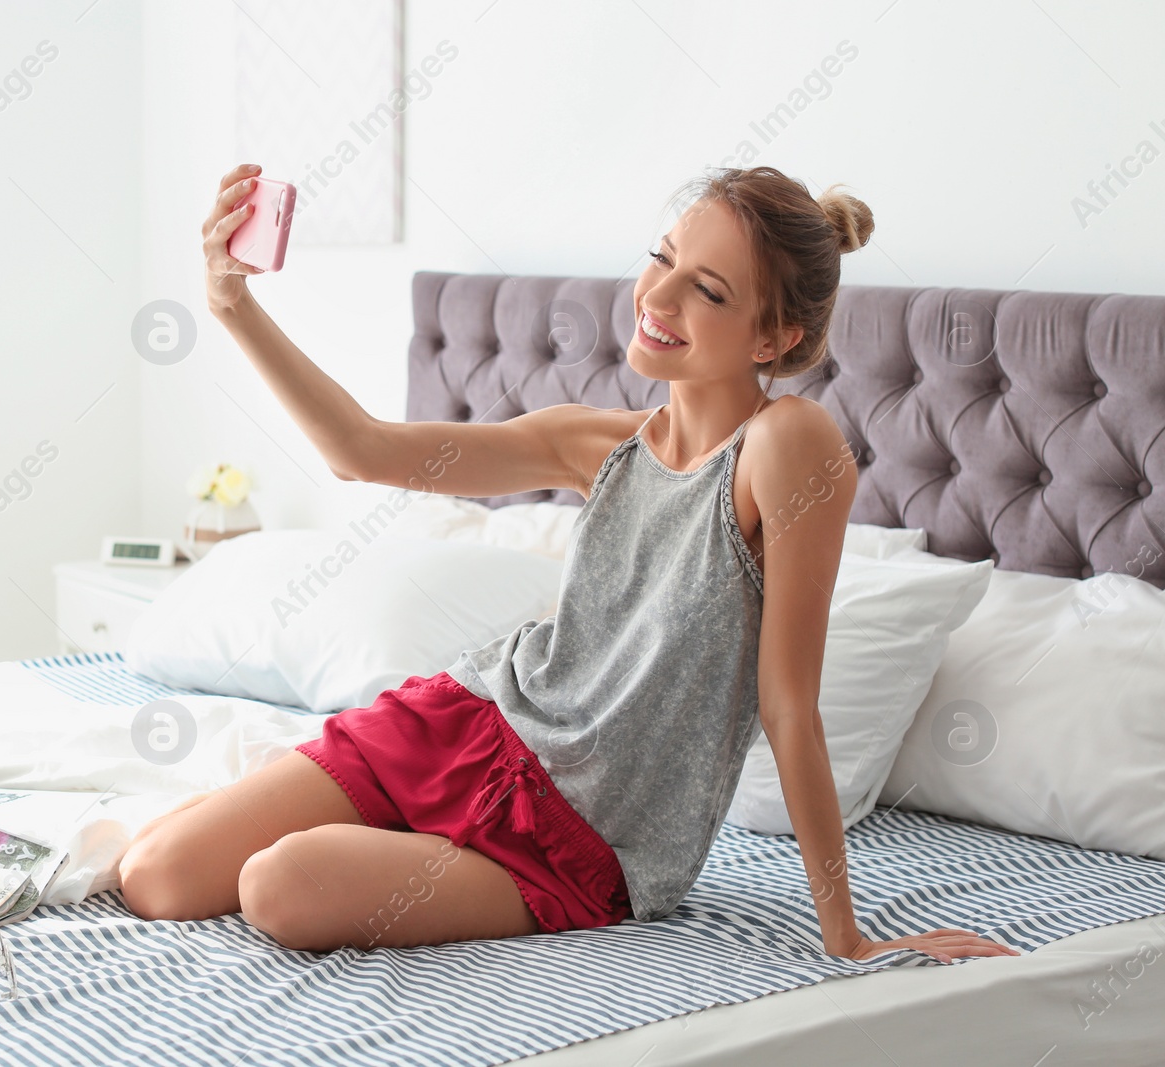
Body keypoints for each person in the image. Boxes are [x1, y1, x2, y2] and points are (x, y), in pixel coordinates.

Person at [117, 162, 1019, 966]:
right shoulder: (593, 441)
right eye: (660, 258)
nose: (657, 299)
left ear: (774, 338)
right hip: (468, 728)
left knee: (277, 887)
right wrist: (234, 305)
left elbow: (789, 707)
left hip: (580, 833)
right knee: (153, 875)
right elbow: (363, 450)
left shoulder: (790, 444)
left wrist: (846, 931)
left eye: (706, 289)